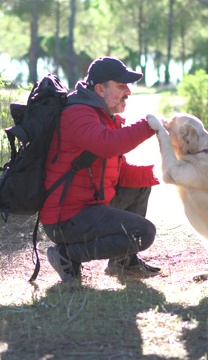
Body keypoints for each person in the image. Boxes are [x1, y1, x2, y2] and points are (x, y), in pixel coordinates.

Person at [40, 56, 161, 282]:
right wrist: (148, 126)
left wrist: (163, 174)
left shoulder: (102, 117)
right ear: (100, 89)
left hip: (90, 207)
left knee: (141, 186)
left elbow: (119, 172)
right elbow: (108, 145)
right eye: (121, 86)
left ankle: (123, 262)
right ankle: (66, 255)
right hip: (66, 219)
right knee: (143, 233)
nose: (128, 92)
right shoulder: (78, 114)